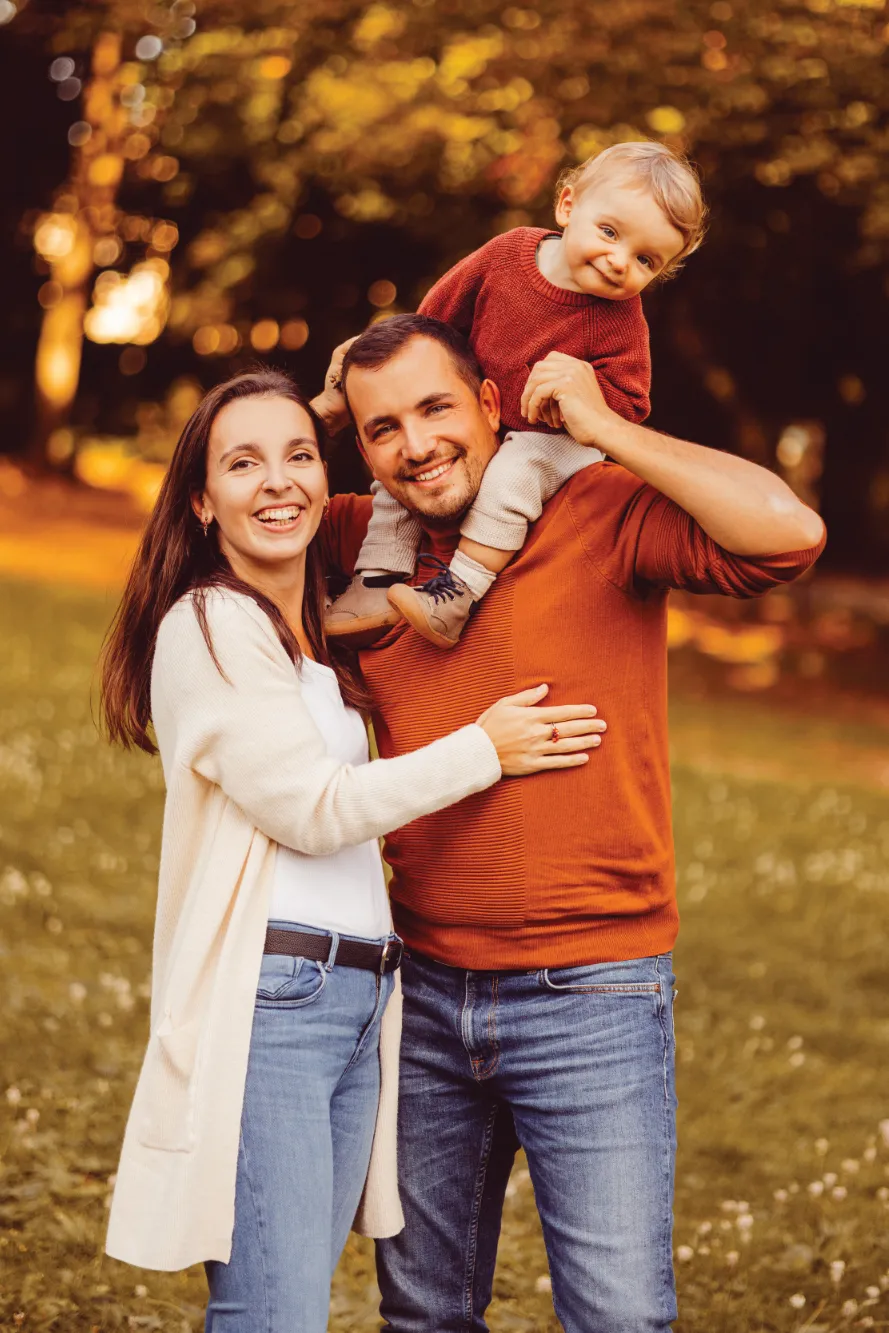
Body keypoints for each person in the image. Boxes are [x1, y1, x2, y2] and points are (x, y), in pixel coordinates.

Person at [310, 316, 826, 1333]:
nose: (415, 445)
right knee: (421, 1313)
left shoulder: (595, 510)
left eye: (435, 408)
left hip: (592, 990)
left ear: (490, 406)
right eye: (382, 429)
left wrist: (598, 423)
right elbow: (206, 518)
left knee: (618, 1317)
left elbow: (788, 532)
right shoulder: (356, 542)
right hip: (417, 985)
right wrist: (318, 410)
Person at [98, 368, 606, 1333]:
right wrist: (483, 750)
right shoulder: (209, 625)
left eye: (297, 456)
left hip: (358, 999)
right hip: (275, 1005)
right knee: (274, 1311)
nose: (279, 481)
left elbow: (385, 475)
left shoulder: (309, 645)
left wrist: (313, 419)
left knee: (294, 1304)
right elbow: (314, 810)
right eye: (241, 465)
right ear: (201, 502)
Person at [326, 140, 707, 648]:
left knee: (515, 473)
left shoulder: (620, 320)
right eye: (610, 233)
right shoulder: (508, 255)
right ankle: (376, 581)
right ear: (568, 206)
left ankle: (456, 594)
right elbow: (434, 320)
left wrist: (581, 397)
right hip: (484, 419)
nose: (619, 262)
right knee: (410, 463)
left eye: (646, 260)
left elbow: (631, 404)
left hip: (552, 442)